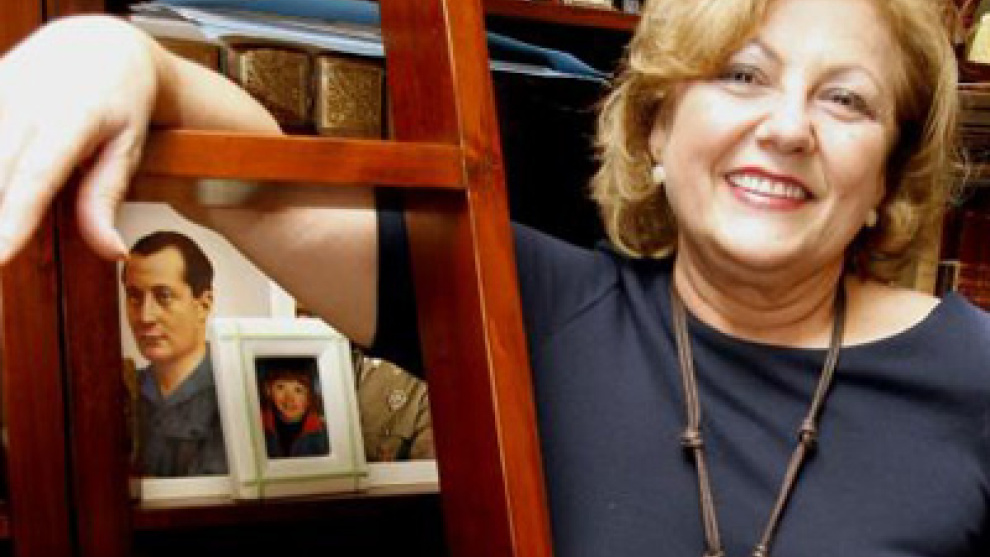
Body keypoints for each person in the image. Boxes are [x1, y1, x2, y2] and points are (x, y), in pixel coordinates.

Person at [0, 0, 987, 554]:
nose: (787, 126)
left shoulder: (976, 373)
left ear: (885, 182)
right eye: (742, 75)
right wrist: (119, 54)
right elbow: (259, 192)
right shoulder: (525, 308)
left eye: (847, 100)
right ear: (655, 125)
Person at [122, 231, 227, 476]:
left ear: (204, 305)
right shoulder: (124, 392)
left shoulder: (233, 391)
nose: (145, 316)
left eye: (164, 296)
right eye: (134, 297)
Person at [258, 357, 331, 459]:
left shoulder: (323, 431)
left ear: (310, 396)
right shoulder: (259, 423)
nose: (289, 398)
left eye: (298, 390)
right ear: (268, 390)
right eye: (280, 387)